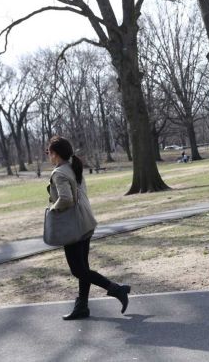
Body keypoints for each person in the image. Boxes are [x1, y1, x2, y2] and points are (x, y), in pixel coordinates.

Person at [46, 136, 130, 320]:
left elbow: (66, 198)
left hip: (73, 227)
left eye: (49, 152)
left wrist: (52, 208)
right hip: (86, 222)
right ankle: (82, 307)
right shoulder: (73, 168)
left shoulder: (59, 173)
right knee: (84, 267)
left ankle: (116, 289)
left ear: (56, 154)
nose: (48, 156)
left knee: (77, 270)